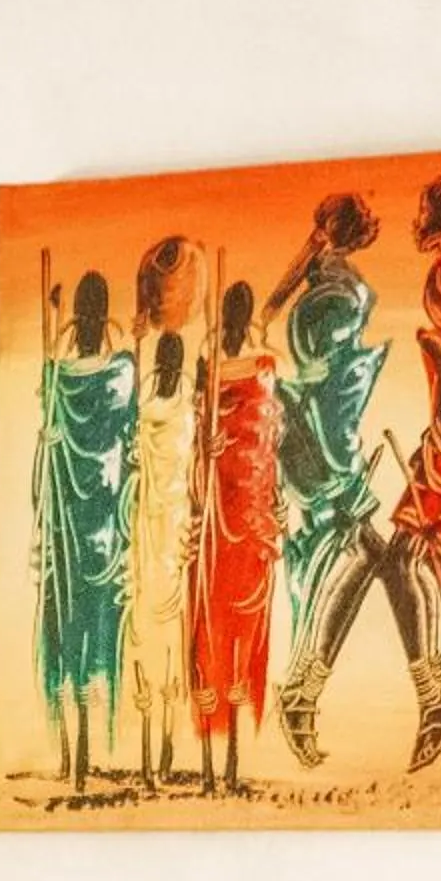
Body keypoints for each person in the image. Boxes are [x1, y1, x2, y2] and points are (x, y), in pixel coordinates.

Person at [272, 173, 441, 776]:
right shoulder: (345, 293)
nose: (409, 223)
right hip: (349, 444)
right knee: (382, 556)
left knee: (396, 557)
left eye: (421, 212)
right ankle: (366, 692)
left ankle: (352, 692)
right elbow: (330, 381)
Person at [263, 193, 389, 767]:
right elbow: (332, 377)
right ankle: (301, 691)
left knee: (346, 557)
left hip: (315, 433)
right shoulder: (340, 291)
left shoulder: (329, 288)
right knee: (350, 556)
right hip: (318, 441)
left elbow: (334, 375)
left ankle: (303, 691)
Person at [31, 268, 139, 793]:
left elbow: (44, 466)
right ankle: (80, 754)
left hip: (72, 534)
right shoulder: (120, 375)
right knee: (93, 632)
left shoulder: (59, 379)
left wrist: (54, 335)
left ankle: (78, 756)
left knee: (69, 630)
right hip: (99, 535)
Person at [186, 280, 282, 794]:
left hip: (246, 515)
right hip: (226, 514)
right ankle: (215, 764)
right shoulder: (217, 370)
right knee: (223, 626)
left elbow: (271, 439)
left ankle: (226, 763)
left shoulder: (256, 370)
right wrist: (207, 445)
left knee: (231, 625)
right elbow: (199, 436)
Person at [124, 328, 197, 787]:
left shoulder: (154, 403)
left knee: (153, 631)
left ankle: (158, 748)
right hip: (168, 527)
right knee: (167, 633)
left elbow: (136, 449)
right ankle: (160, 746)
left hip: (158, 528)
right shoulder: (187, 404)